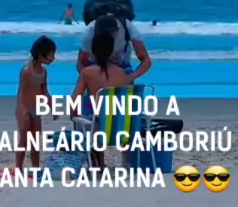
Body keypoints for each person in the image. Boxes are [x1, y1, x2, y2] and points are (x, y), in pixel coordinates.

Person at [70, 30, 150, 168]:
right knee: (102, 117)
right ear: (112, 51)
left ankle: (99, 164)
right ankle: (126, 162)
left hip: (100, 131)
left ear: (93, 51)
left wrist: (74, 115)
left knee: (88, 119)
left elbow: (74, 102)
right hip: (125, 131)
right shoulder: (122, 74)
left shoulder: (87, 73)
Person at [15, 36, 56, 171]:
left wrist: (52, 107)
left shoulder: (43, 72)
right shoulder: (27, 71)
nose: (53, 58)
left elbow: (45, 92)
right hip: (24, 109)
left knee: (35, 141)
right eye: (51, 55)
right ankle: (19, 167)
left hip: (36, 110)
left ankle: (36, 167)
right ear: (41, 54)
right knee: (24, 140)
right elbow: (21, 93)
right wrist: (22, 110)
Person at [77, 13, 151, 75]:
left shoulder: (127, 27)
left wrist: (132, 76)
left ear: (117, 30)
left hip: (122, 65)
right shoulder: (90, 31)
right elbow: (81, 62)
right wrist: (88, 78)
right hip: (95, 64)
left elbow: (145, 59)